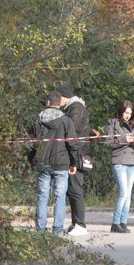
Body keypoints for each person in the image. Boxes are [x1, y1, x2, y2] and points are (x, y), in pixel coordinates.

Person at [30, 91, 79, 235]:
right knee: (60, 197)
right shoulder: (66, 120)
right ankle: (57, 229)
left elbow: (31, 143)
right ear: (60, 104)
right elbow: (73, 144)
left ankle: (40, 229)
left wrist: (31, 160)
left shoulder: (37, 120)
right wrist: (74, 162)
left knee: (42, 196)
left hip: (42, 163)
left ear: (47, 103)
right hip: (61, 163)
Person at [57, 84, 90, 237]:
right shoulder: (70, 108)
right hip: (73, 153)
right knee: (71, 190)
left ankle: (81, 224)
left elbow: (71, 129)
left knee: (75, 190)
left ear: (65, 97)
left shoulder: (76, 108)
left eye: (59, 98)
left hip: (77, 154)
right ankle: (75, 222)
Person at [105, 100, 134, 233]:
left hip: (132, 162)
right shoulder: (112, 123)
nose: (128, 116)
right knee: (123, 193)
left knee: (128, 195)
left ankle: (123, 222)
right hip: (119, 161)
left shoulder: (132, 125)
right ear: (121, 111)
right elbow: (108, 143)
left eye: (130, 113)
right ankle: (115, 223)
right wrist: (125, 140)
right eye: (126, 113)